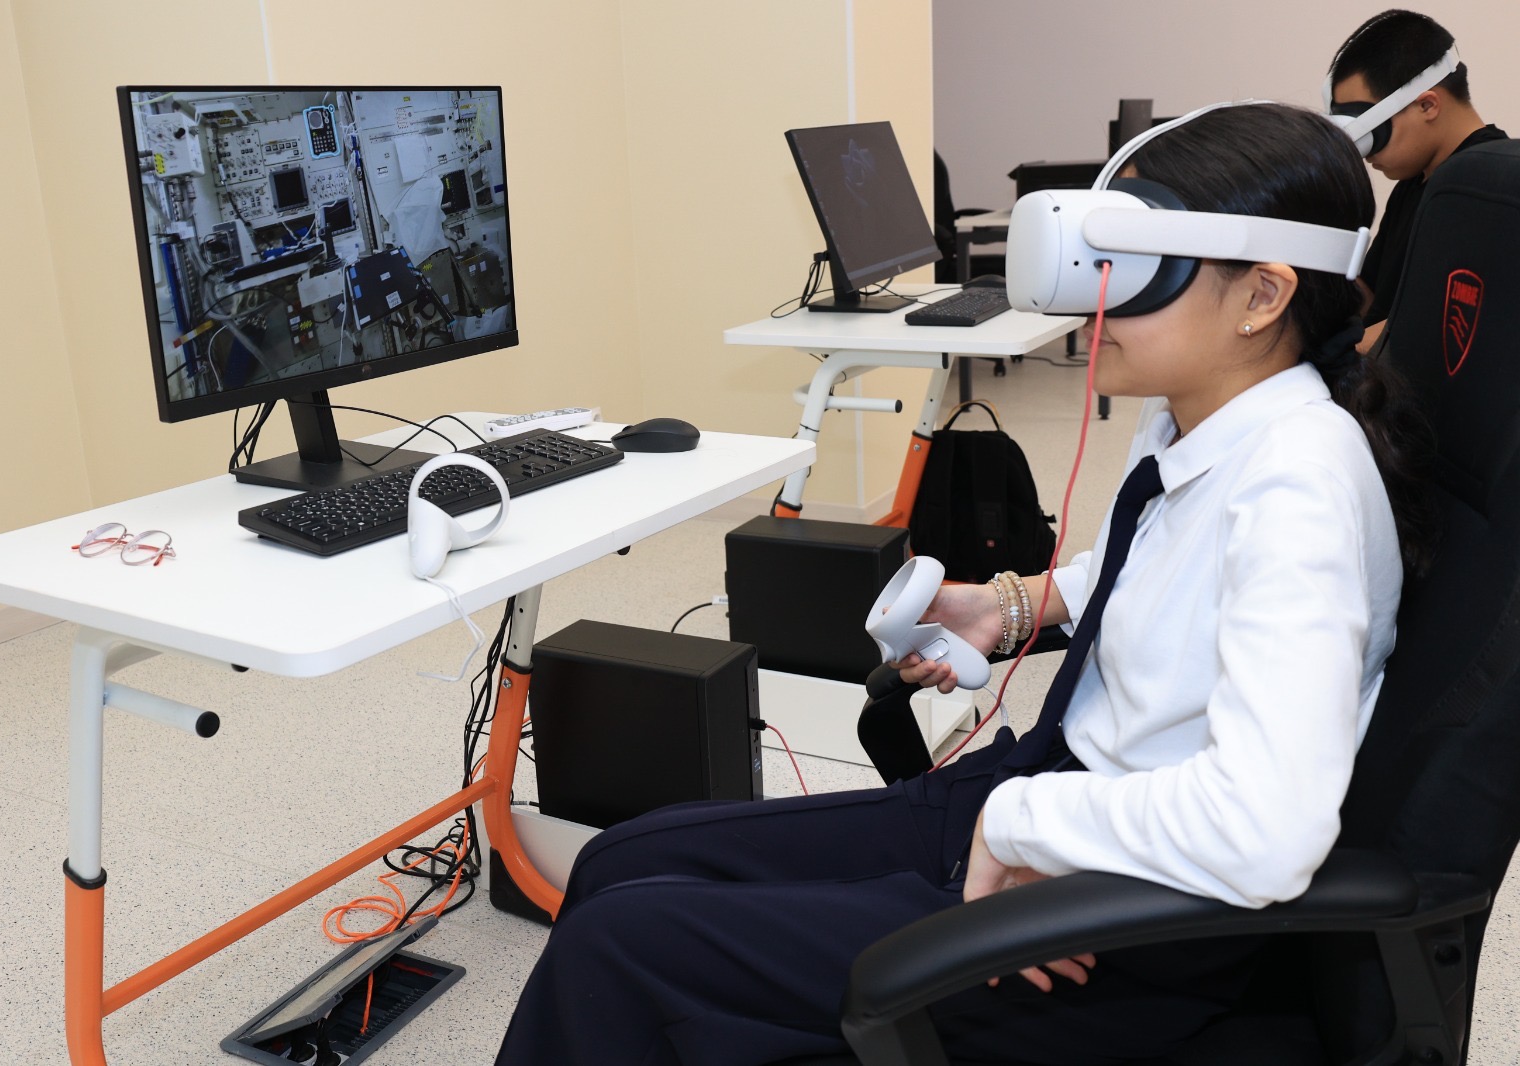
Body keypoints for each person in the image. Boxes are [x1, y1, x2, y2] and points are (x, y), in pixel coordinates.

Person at [492, 103, 1436, 1066]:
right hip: (1047, 796)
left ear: (1262, 295)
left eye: (1134, 268)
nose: (1092, 298)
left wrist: (1025, 825)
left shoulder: (1298, 488)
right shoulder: (1199, 420)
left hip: (1128, 914)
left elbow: (1266, 830)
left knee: (618, 948)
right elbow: (1158, 568)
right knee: (619, 861)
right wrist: (1012, 603)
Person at [1327, 9, 1507, 353]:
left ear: (1427, 105)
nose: (1365, 154)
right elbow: (1371, 294)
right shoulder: (1415, 182)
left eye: (1372, 134)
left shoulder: (1480, 189)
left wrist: (1330, 357)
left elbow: (1424, 325)